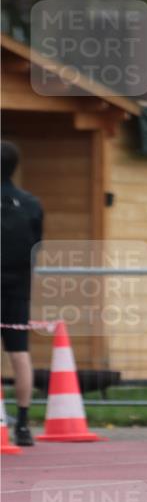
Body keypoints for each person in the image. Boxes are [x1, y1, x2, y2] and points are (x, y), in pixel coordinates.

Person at [1, 140, 43, 446]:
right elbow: (36, 247)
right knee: (19, 353)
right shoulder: (30, 203)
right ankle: (24, 425)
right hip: (18, 286)